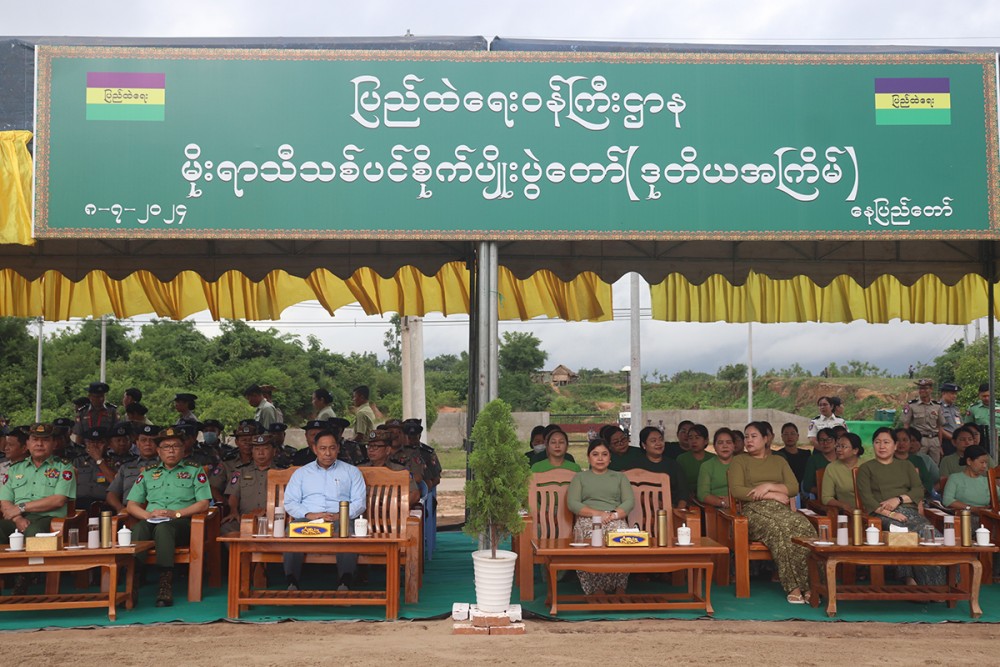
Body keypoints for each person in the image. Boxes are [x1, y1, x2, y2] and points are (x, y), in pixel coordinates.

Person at [727, 421, 815, 604]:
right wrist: (772, 495)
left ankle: (811, 586)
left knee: (804, 526)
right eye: (746, 437)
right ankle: (794, 586)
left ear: (766, 439)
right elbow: (738, 491)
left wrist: (768, 486)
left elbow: (793, 487)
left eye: (754, 436)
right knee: (778, 529)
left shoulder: (779, 461)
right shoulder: (739, 461)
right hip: (753, 511)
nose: (749, 440)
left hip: (781, 509)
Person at [127, 426, 212, 607]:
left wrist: (177, 514)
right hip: (152, 519)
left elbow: (204, 503)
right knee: (138, 529)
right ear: (158, 451)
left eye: (175, 446)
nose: (171, 450)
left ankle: (165, 585)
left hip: (182, 522)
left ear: (183, 449)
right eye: (166, 447)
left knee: (164, 528)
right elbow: (132, 504)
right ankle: (133, 582)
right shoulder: (148, 473)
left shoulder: (195, 470)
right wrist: (147, 514)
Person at [857, 427, 944, 586]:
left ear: (895, 445)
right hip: (881, 514)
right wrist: (891, 514)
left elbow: (918, 490)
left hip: (909, 511)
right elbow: (867, 499)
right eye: (877, 442)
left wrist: (898, 499)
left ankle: (936, 584)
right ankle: (909, 578)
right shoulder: (866, 468)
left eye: (886, 442)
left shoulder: (907, 466)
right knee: (901, 531)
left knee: (931, 534)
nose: (882, 446)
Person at [282, 429, 367, 592]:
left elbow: (359, 503)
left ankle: (345, 582)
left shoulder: (351, 472)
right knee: (293, 531)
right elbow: (291, 502)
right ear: (315, 449)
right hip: (309, 519)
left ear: (338, 448)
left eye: (332, 448)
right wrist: (309, 515)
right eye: (323, 448)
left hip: (339, 519)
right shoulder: (301, 473)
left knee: (347, 531)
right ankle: (292, 582)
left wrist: (340, 515)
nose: (328, 453)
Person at [0, 423, 77, 594]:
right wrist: (17, 518)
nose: (39, 444)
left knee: (34, 532)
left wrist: (21, 507)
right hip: (17, 519)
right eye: (35, 439)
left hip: (48, 518)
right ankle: (8, 576)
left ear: (54, 444)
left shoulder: (64, 467)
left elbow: (58, 500)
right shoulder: (14, 469)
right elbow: (5, 501)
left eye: (45, 440)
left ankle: (24, 578)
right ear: (27, 444)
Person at [566, 440, 635, 595]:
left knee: (621, 537)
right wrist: (598, 514)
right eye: (595, 454)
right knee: (591, 538)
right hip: (588, 518)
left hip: (614, 517)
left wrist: (613, 515)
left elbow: (629, 501)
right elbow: (573, 503)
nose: (600, 458)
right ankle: (595, 588)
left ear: (610, 458)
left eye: (604, 454)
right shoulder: (580, 477)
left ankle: (619, 586)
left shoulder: (619, 477)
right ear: (588, 457)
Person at [222, 434, 282, 534]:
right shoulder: (240, 472)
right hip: (245, 518)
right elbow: (233, 495)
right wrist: (233, 511)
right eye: (257, 449)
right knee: (226, 528)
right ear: (252, 452)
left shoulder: (282, 473)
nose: (261, 453)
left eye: (265, 449)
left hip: (275, 519)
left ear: (274, 451)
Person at [627, 426, 689, 507]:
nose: (659, 443)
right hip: (642, 510)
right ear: (644, 445)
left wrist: (678, 510)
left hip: (671, 509)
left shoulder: (673, 465)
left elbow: (683, 493)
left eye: (661, 439)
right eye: (653, 441)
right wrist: (657, 504)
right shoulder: (635, 466)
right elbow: (631, 492)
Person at [359, 429, 421, 508]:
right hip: (363, 513)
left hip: (391, 513)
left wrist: (395, 506)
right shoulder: (359, 470)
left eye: (375, 446)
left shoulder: (399, 470)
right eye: (369, 446)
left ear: (387, 450)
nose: (370, 450)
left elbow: (415, 495)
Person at [106, 423, 160, 513]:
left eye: (152, 440)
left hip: (157, 510)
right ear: (137, 443)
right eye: (143, 440)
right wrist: (120, 509)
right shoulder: (126, 467)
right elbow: (112, 494)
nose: (148, 444)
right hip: (129, 511)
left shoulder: (166, 465)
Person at [74, 427, 117, 513]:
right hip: (79, 504)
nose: (95, 446)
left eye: (99, 442)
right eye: (91, 442)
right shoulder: (78, 461)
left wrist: (99, 459)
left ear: (107, 444)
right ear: (86, 444)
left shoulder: (114, 461)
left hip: (104, 504)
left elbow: (115, 482)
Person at [902, 378, 944, 464]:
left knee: (934, 466)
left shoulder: (937, 406)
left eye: (925, 388)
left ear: (931, 389)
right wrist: (906, 443)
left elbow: (940, 426)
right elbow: (906, 425)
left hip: (934, 440)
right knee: (918, 464)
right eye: (920, 388)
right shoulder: (911, 405)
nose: (922, 390)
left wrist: (939, 445)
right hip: (920, 440)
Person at [942, 444, 994, 512]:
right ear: (969, 461)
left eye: (986, 463)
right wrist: (972, 508)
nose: (984, 466)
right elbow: (947, 500)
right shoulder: (955, 478)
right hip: (962, 515)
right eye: (982, 462)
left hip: (985, 515)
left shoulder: (987, 481)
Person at [821, 432, 864, 512]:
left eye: (843, 446)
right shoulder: (832, 468)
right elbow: (826, 498)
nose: (838, 450)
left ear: (855, 450)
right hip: (848, 512)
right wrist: (842, 505)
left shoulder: (867, 466)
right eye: (838, 446)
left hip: (870, 511)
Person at [696, 427, 737, 509]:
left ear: (734, 446)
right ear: (714, 446)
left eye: (728, 442)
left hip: (741, 505)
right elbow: (702, 495)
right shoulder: (707, 466)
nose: (725, 446)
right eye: (720, 443)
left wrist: (734, 501)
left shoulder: (742, 463)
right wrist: (722, 502)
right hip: (717, 508)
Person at [892, 428, 933, 499]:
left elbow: (928, 482)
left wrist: (915, 494)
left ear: (910, 442)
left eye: (905, 440)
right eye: (897, 440)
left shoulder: (918, 460)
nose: (901, 443)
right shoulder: (889, 460)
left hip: (918, 498)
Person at [403, 419, 442, 489]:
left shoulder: (427, 452)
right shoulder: (398, 452)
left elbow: (436, 479)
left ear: (419, 436)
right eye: (409, 438)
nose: (411, 441)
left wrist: (423, 491)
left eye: (414, 438)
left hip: (426, 488)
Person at [676, 424, 716, 491]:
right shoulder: (681, 459)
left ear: (706, 440)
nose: (694, 441)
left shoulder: (713, 458)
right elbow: (679, 484)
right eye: (690, 438)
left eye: (697, 438)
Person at [801, 428, 837, 499]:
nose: (825, 443)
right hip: (823, 498)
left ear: (836, 442)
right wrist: (827, 493)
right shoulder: (813, 460)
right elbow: (807, 486)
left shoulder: (842, 458)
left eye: (829, 439)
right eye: (821, 440)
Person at [964, 383, 1000, 451]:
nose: (986, 398)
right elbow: (967, 426)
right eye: (984, 396)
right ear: (979, 395)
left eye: (988, 396)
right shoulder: (973, 408)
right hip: (982, 441)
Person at [938, 382, 963, 456]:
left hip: (958, 441)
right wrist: (952, 438)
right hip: (946, 442)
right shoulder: (938, 407)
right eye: (952, 393)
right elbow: (938, 427)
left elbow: (961, 424)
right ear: (943, 393)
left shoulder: (956, 408)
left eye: (955, 394)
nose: (954, 396)